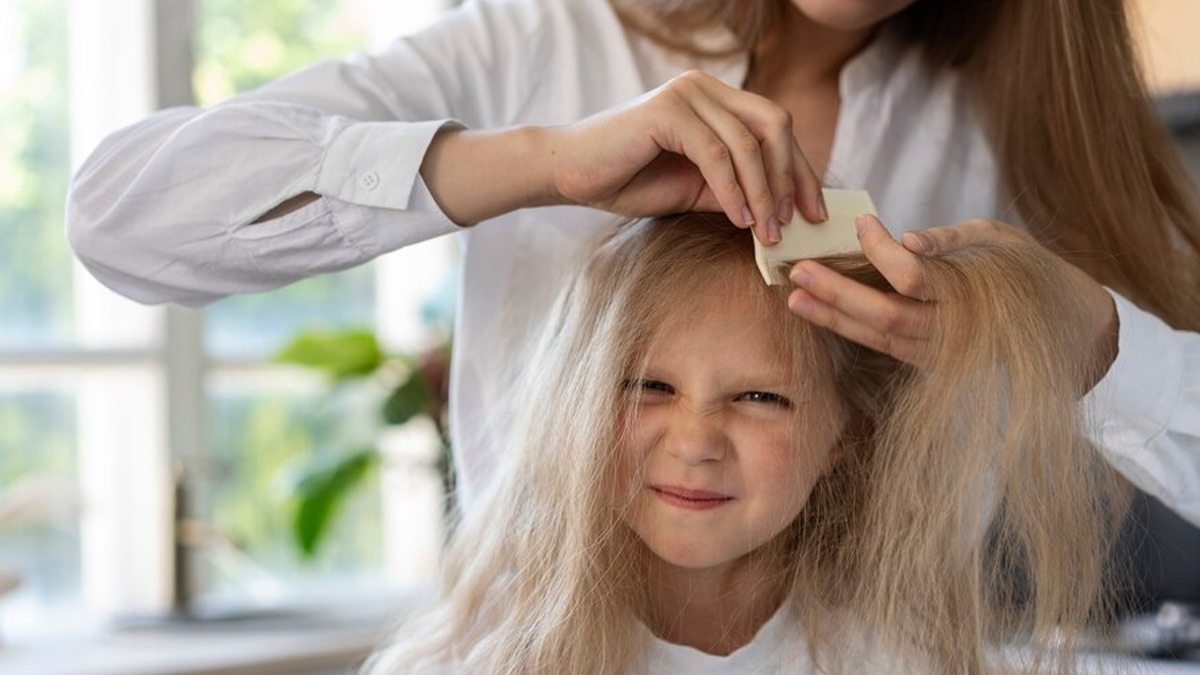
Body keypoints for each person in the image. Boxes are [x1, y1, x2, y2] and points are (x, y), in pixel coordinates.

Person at [65, 0, 1200, 525]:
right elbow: (121, 217)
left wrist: (1093, 341)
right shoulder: (530, 44)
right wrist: (537, 165)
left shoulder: (1016, 143)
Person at [362, 213, 1131, 674]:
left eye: (761, 397)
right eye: (649, 387)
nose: (696, 442)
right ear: (576, 404)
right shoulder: (468, 660)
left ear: (844, 435)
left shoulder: (897, 660)